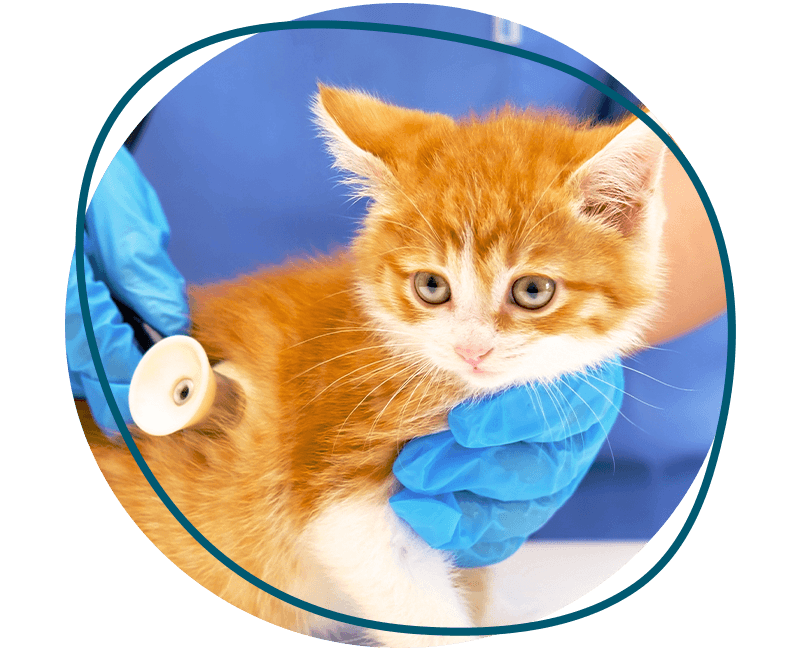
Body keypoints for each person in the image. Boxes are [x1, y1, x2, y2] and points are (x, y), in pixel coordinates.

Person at [67, 3, 727, 562]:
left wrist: (587, 340)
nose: (474, 346)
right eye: (438, 292)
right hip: (185, 363)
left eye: (528, 293)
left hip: (626, 507)